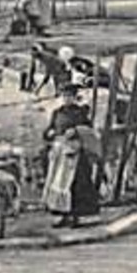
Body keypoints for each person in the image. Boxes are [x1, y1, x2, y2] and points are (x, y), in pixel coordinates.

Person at [42, 83, 102, 227]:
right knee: (58, 184)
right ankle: (62, 216)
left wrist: (76, 130)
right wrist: (49, 134)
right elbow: (50, 129)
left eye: (70, 96)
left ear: (75, 97)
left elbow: (89, 131)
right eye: (65, 96)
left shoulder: (80, 113)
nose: (67, 99)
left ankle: (76, 216)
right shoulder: (57, 113)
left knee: (75, 185)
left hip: (75, 154)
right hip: (60, 153)